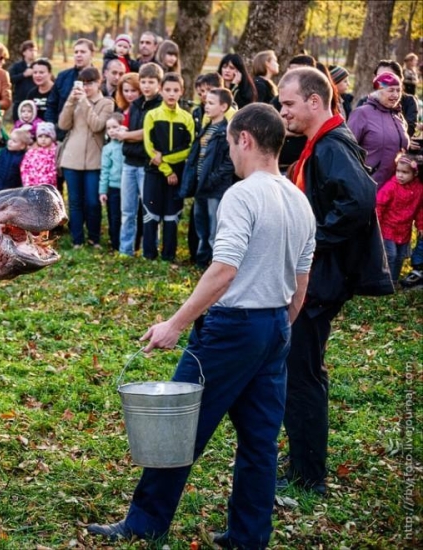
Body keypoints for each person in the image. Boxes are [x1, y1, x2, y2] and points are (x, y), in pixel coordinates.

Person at [90, 103, 316, 549]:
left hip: (232, 328)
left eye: (230, 143)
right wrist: (277, 327)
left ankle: (146, 522)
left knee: (180, 427)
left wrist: (175, 323)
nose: (230, 152)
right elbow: (300, 283)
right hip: (274, 327)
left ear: (245, 139)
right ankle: (248, 537)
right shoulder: (298, 198)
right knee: (260, 442)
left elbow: (223, 270)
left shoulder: (243, 194)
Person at [278, 67, 393, 496]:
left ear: (314, 101)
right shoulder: (319, 143)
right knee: (301, 372)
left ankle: (309, 476)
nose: (283, 111)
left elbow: (360, 200)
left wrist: (314, 241)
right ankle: (303, 462)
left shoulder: (331, 145)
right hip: (318, 275)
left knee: (302, 374)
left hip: (322, 280)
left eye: (289, 103)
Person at [58, 66, 114, 248]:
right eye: (83, 83)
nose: (86, 87)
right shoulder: (75, 100)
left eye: (90, 83)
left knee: (92, 202)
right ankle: (77, 239)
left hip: (94, 159)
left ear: (99, 83)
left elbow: (97, 125)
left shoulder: (107, 103)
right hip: (71, 158)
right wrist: (70, 101)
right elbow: (63, 124)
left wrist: (83, 101)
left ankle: (94, 238)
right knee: (74, 201)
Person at [142, 72, 194, 262]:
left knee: (172, 216)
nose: (171, 94)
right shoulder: (152, 115)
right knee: (151, 214)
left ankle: (169, 255)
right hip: (155, 173)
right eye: (167, 90)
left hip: (177, 176)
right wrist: (166, 169)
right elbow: (149, 147)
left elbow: (188, 148)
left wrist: (165, 159)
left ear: (182, 92)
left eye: (176, 90)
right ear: (161, 91)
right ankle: (149, 254)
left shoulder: (187, 118)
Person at [181, 87, 235, 269]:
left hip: (214, 188)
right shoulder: (207, 128)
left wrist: (212, 179)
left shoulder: (226, 131)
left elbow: (229, 162)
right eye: (206, 102)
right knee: (201, 226)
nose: (207, 106)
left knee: (214, 229)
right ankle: (202, 262)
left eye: (211, 103)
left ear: (224, 107)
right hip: (200, 186)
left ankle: (216, 266)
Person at [117, 63, 163, 257]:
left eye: (150, 82)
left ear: (159, 84)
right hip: (129, 162)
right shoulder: (135, 104)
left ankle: (150, 248)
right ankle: (126, 249)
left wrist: (125, 135)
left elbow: (148, 134)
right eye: (143, 81)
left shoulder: (160, 105)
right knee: (127, 210)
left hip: (147, 165)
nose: (146, 86)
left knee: (149, 209)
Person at [348, 72, 410, 189]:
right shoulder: (362, 113)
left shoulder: (398, 116)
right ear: (378, 91)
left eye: (399, 90)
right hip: (368, 186)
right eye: (391, 90)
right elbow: (347, 150)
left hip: (395, 189)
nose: (396, 95)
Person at [376, 154, 423, 284]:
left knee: (401, 256)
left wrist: (420, 225)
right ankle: (385, 282)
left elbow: (420, 210)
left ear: (415, 173)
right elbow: (379, 205)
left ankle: (394, 281)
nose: (400, 175)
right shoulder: (391, 186)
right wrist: (377, 225)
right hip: (388, 227)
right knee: (391, 255)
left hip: (404, 230)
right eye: (398, 171)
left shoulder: (419, 188)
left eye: (405, 172)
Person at [45, 38, 96, 141]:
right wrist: (52, 125)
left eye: (83, 52)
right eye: (76, 52)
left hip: (88, 135)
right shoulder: (63, 76)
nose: (78, 55)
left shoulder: (99, 79)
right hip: (62, 133)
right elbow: (52, 103)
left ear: (92, 54)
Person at [100, 113, 125, 251]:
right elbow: (105, 170)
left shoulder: (128, 145)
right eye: (109, 128)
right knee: (114, 217)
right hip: (113, 188)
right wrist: (102, 191)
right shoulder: (107, 148)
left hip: (128, 187)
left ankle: (130, 243)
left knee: (127, 216)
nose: (112, 131)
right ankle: (115, 243)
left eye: (115, 127)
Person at [0, 127, 31, 191]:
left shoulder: (23, 157)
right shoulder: (3, 151)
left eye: (14, 141)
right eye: (10, 139)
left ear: (22, 146)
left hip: (11, 190)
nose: (10, 142)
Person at [20, 122, 57, 188]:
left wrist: (46, 182)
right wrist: (27, 182)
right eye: (40, 136)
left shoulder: (54, 152)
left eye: (47, 136)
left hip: (47, 186)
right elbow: (25, 168)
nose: (43, 139)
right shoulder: (31, 152)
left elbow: (54, 171)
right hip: (31, 186)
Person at [9, 40, 39, 122]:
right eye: (30, 50)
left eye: (35, 50)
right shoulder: (17, 66)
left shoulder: (39, 66)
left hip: (35, 100)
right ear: (24, 52)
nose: (33, 53)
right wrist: (23, 75)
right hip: (20, 100)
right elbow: (10, 79)